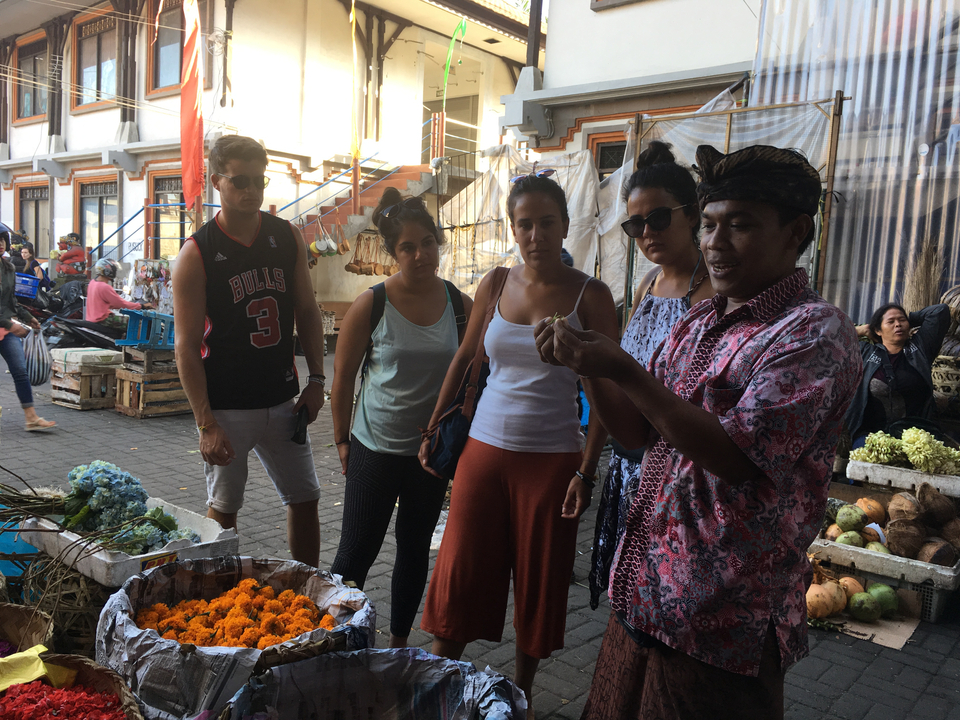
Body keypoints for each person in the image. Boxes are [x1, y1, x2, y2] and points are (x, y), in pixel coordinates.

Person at [537, 144, 862, 719]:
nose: (715, 242)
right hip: (643, 592)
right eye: (710, 224)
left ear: (795, 233)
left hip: (720, 620)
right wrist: (589, 369)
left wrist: (623, 368)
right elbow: (637, 437)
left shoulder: (815, 334)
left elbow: (738, 453)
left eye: (740, 226)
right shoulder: (698, 321)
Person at [418, 170, 619, 711]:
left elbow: (605, 394)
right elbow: (464, 359)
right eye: (524, 224)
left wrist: (586, 470)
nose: (535, 236)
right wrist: (435, 425)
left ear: (564, 226)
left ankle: (522, 695)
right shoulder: (494, 283)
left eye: (546, 223)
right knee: (460, 573)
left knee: (538, 581)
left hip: (552, 460)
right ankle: (444, 687)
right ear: (513, 227)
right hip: (482, 452)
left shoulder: (592, 297)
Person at [173, 134, 327, 567]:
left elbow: (307, 310)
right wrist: (205, 422)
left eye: (258, 181)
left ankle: (308, 584)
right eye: (239, 181)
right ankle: (219, 596)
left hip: (283, 398)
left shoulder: (286, 236)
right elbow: (184, 346)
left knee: (305, 497)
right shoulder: (197, 252)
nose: (250, 191)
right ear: (217, 182)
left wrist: (317, 380)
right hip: (228, 406)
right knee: (224, 509)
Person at [330, 187, 474, 648]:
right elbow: (343, 380)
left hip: (428, 456)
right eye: (407, 247)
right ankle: (332, 640)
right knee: (355, 554)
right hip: (374, 447)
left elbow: (477, 369)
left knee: (413, 552)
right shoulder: (371, 305)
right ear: (393, 254)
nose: (419, 254)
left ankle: (396, 646)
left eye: (427, 243)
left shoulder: (458, 304)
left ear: (437, 243)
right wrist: (342, 442)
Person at [585, 141, 713, 611]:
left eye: (659, 218)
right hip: (627, 465)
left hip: (676, 477)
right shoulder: (647, 284)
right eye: (635, 225)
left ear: (694, 213)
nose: (647, 234)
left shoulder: (712, 294)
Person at [845, 302, 950, 446]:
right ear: (878, 330)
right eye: (890, 321)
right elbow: (828, 339)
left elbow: (940, 311)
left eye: (901, 320)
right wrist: (862, 330)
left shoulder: (921, 348)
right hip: (871, 435)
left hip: (917, 437)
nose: (898, 325)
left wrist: (909, 318)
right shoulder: (865, 352)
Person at [0, 249, 56, 432]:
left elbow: (11, 301)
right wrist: (9, 324)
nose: (0, 244)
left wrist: (26, 316)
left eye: (2, 240)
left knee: (20, 371)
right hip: (6, 325)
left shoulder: (8, 267)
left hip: (5, 330)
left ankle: (31, 417)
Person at [85, 259, 151, 328]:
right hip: (103, 320)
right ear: (107, 271)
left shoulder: (92, 283)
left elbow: (107, 303)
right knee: (138, 323)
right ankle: (136, 339)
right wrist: (142, 306)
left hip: (91, 319)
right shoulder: (104, 287)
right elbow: (120, 304)